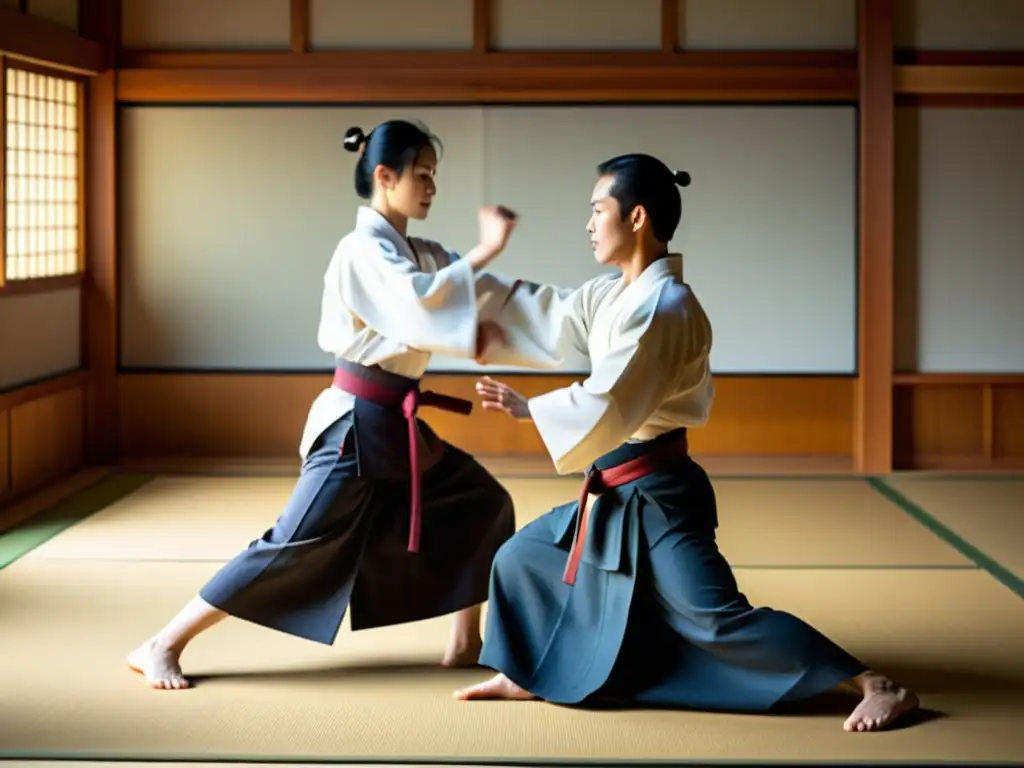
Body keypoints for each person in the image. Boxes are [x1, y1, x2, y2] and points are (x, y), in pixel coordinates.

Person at [452, 153, 920, 733]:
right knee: (521, 558)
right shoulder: (612, 293)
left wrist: (532, 409)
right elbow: (549, 314)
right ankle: (528, 671)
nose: (590, 224)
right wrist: (469, 312)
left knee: (717, 620)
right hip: (613, 491)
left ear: (638, 216)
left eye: (599, 210)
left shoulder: (666, 307)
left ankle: (876, 682)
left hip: (658, 494)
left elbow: (614, 400)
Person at [127, 119, 521, 690]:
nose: (431, 186)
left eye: (435, 175)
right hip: (356, 425)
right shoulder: (361, 249)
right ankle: (161, 642)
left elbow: (459, 287)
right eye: (422, 174)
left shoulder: (416, 248)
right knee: (291, 541)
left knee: (480, 502)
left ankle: (466, 641)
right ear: (384, 177)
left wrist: (504, 313)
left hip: (396, 422)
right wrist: (486, 251)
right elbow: (419, 302)